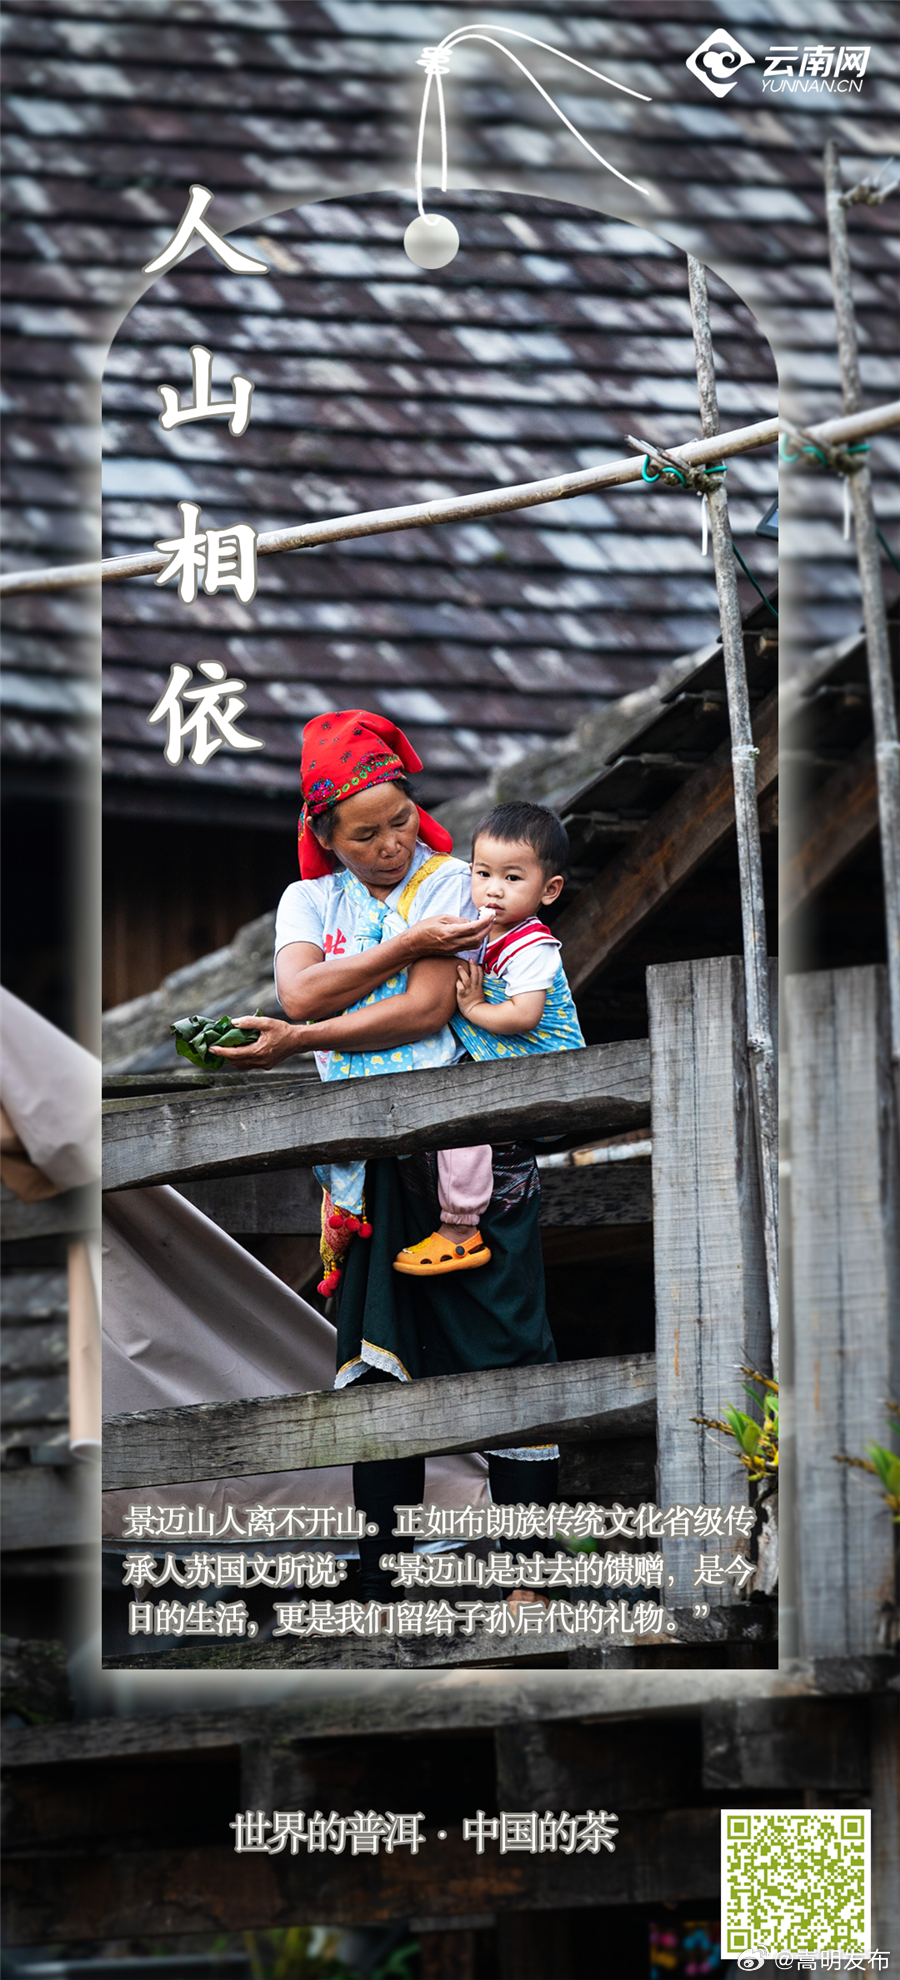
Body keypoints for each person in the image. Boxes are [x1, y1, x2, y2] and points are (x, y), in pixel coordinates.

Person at [215, 709, 562, 1608]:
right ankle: (384, 1575)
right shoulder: (308, 901)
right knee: (379, 1358)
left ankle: (529, 1572)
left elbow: (424, 1009)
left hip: (463, 1157)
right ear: (324, 837)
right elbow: (298, 989)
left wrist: (311, 1027)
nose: (388, 845)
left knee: (504, 1344)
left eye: (400, 821)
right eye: (363, 835)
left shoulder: (456, 881)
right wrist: (399, 952)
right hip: (363, 1164)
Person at [392, 800, 584, 1277]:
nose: (493, 889)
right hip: (513, 1069)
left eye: (512, 878)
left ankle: (460, 1229)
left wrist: (475, 1008)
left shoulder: (533, 945)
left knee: (463, 1116)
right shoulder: (483, 933)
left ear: (550, 889)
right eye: (482, 874)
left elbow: (525, 1014)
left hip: (546, 1071)